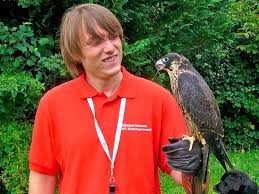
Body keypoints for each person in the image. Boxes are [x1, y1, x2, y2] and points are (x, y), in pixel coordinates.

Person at [28, 3, 201, 194]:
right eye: (96, 42)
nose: (110, 47)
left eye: (113, 37)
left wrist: (196, 168)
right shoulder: (54, 104)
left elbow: (189, 181)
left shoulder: (157, 99)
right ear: (75, 53)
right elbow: (42, 175)